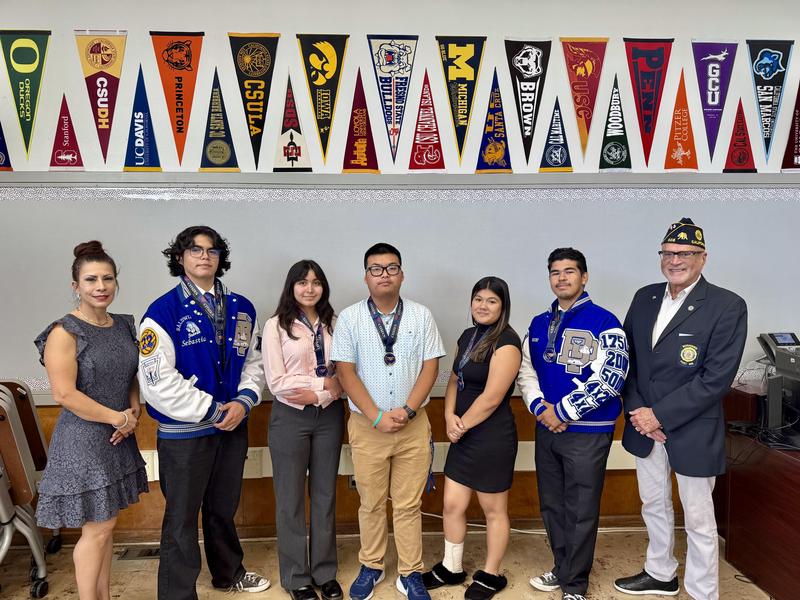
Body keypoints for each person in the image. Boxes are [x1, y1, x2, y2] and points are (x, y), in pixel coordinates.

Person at [614, 219, 747, 600]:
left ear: (703, 258)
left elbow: (715, 378)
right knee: (653, 504)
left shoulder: (727, 305)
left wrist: (660, 415)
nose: (675, 260)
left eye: (685, 254)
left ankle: (703, 592)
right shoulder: (645, 297)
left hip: (692, 428)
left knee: (700, 519)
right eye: (668, 253)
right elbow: (629, 362)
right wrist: (640, 413)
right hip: (644, 426)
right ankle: (660, 573)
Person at [137, 225, 269, 599]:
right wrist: (211, 410)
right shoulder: (162, 312)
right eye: (195, 250)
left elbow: (253, 362)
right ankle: (178, 593)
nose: (204, 256)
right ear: (180, 257)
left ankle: (228, 574)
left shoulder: (242, 307)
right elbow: (156, 381)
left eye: (212, 250)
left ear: (220, 258)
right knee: (181, 519)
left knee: (222, 508)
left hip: (232, 426)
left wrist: (244, 401)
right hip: (186, 433)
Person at [34, 241, 148, 600]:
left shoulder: (126, 324)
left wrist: (133, 411)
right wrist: (117, 418)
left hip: (119, 433)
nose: (101, 286)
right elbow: (64, 394)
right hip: (83, 439)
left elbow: (132, 375)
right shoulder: (64, 331)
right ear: (76, 286)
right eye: (91, 279)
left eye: (108, 278)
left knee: (107, 526)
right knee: (98, 528)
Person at [330, 242, 445, 600]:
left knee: (409, 503)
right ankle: (372, 564)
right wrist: (376, 416)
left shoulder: (421, 315)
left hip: (413, 424)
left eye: (391, 268)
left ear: (402, 274)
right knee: (371, 502)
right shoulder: (349, 318)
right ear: (366, 276)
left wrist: (409, 410)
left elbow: (431, 366)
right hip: (368, 426)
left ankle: (411, 571)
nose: (384, 274)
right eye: (376, 269)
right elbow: (345, 372)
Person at [518, 248, 629, 600]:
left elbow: (613, 376)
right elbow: (526, 371)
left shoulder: (605, 321)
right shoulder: (537, 323)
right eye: (555, 272)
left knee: (581, 509)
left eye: (569, 271)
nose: (561, 278)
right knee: (552, 504)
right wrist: (540, 408)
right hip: (546, 429)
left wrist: (562, 412)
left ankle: (576, 585)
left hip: (588, 432)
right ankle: (562, 568)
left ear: (584, 277)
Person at [422, 277, 521, 600]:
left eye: (491, 301)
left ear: (503, 306)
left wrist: (461, 424)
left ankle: (491, 574)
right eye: (478, 299)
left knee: (494, 510)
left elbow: (492, 397)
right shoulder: (467, 337)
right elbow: (453, 380)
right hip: (462, 431)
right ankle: (452, 567)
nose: (483, 305)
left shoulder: (507, 342)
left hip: (491, 436)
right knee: (452, 504)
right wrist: (449, 417)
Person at [262, 260, 344, 600]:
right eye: (302, 282)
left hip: (329, 417)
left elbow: (343, 377)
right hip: (290, 419)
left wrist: (321, 392)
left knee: (325, 496)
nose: (309, 288)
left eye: (316, 282)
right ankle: (296, 577)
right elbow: (277, 381)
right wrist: (321, 383)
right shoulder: (275, 326)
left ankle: (325, 572)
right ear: (291, 286)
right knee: (290, 499)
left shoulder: (336, 323)